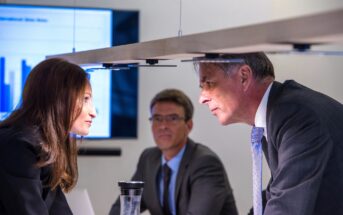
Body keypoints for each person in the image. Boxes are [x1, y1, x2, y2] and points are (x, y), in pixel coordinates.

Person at [196, 52, 343, 215]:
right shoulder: (278, 113)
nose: (202, 99)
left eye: (209, 83)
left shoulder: (296, 117)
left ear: (244, 77)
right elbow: (276, 191)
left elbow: (286, 207)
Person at [109, 89, 238, 215]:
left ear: (189, 126)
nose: (163, 125)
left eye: (172, 118)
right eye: (157, 118)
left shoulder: (205, 164)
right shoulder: (148, 159)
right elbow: (121, 209)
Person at [0, 58, 97, 214]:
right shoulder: (19, 146)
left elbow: (58, 210)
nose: (93, 112)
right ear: (59, 98)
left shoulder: (42, 144)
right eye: (85, 99)